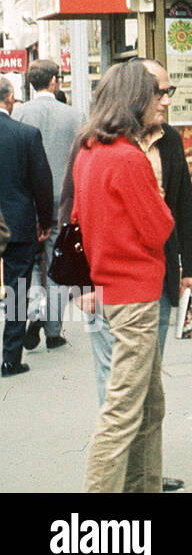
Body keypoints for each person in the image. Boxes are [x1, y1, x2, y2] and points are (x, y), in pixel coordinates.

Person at [63, 59, 192, 492]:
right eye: (156, 93)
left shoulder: (88, 150)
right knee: (124, 409)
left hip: (114, 288)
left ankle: (143, 485)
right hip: (135, 292)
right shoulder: (128, 158)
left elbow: (75, 216)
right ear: (134, 99)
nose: (163, 101)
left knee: (147, 404)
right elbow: (161, 225)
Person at [15, 59, 81, 352]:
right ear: (54, 81)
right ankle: (53, 331)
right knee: (57, 262)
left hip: (25, 199)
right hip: (62, 199)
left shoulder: (17, 113)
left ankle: (30, 314)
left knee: (26, 263)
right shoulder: (75, 115)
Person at [0, 75, 54, 378]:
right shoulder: (26, 135)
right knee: (17, 290)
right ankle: (10, 358)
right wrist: (43, 222)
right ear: (10, 99)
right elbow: (42, 185)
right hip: (18, 223)